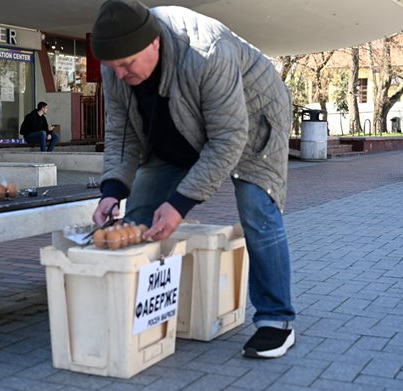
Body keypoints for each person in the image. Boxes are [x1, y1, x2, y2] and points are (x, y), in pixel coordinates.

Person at [90, 0, 296, 358]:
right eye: (112, 67)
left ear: (153, 42)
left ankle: (275, 320)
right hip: (178, 128)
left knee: (256, 208)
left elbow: (228, 138)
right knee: (139, 211)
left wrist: (180, 204)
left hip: (252, 119)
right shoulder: (116, 68)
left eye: (127, 64)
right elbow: (121, 132)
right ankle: (141, 312)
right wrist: (112, 190)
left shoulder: (206, 50)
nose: (120, 74)